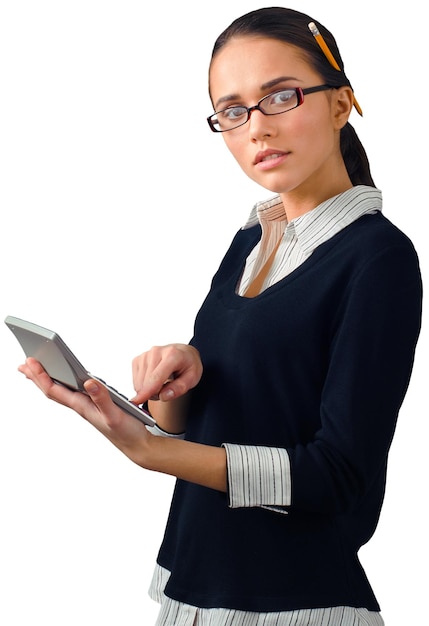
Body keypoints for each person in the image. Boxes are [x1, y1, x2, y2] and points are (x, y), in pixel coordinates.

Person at [18, 7, 422, 626]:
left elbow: (337, 474)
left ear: (342, 103)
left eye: (280, 96)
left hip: (294, 601)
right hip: (197, 582)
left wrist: (154, 455)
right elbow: (208, 423)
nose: (256, 129)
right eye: (233, 111)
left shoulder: (379, 258)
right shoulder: (251, 240)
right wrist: (178, 382)